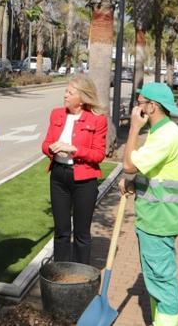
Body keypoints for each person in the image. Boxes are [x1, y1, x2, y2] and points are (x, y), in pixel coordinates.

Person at [119, 82, 178, 326]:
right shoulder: (161, 131)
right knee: (156, 281)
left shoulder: (166, 136)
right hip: (156, 218)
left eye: (139, 103)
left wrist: (133, 129)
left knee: (162, 282)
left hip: (160, 220)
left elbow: (129, 165)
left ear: (151, 107)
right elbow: (155, 172)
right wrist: (134, 185)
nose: (136, 107)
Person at [40, 75, 108, 264]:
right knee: (61, 230)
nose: (65, 95)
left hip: (84, 180)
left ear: (83, 97)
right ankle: (60, 271)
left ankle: (80, 274)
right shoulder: (57, 114)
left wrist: (74, 150)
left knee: (81, 232)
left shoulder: (97, 120)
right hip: (58, 175)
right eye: (66, 91)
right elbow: (45, 144)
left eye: (70, 92)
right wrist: (51, 148)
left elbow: (98, 155)